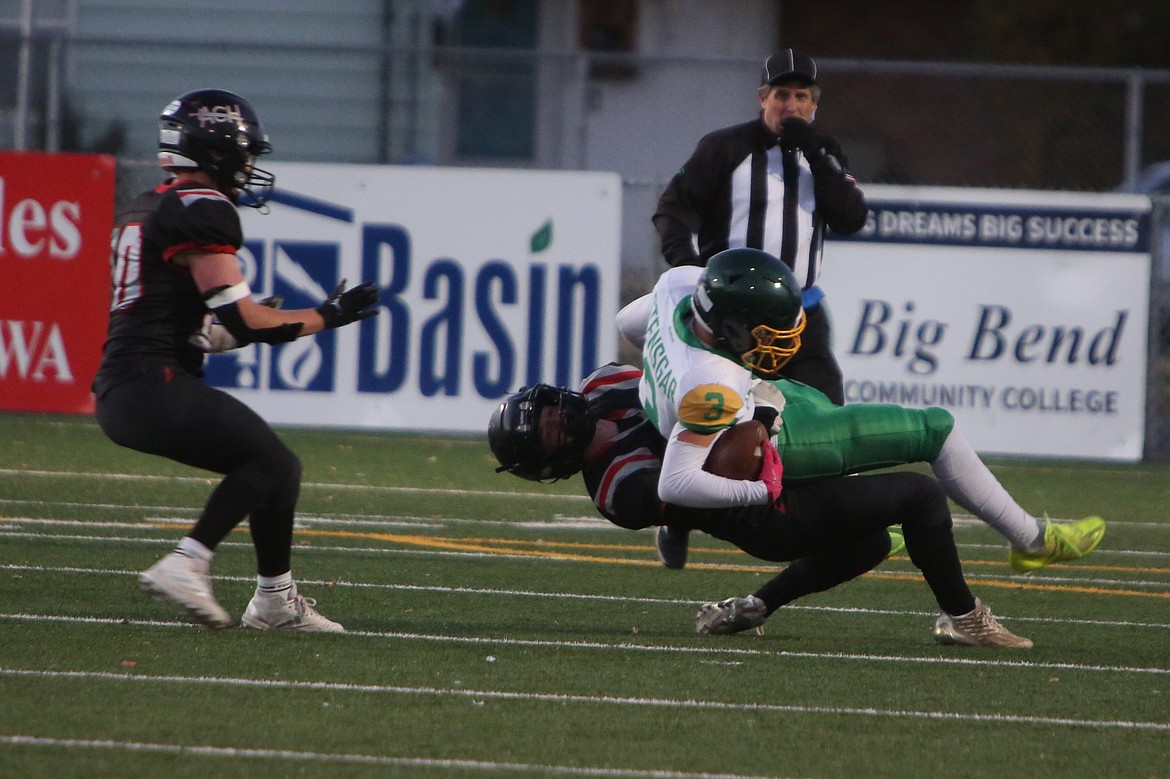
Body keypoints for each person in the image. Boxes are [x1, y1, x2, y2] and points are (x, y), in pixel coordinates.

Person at [93, 88, 380, 632]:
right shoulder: (203, 206)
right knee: (270, 463)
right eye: (245, 154)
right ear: (218, 151)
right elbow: (246, 321)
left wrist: (244, 324)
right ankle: (187, 560)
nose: (249, 167)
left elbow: (206, 331)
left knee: (278, 469)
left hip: (130, 384)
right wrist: (329, 315)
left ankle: (274, 602)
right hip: (152, 382)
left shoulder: (145, 205)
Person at [488, 364, 1032, 648]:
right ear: (549, 463)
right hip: (769, 510)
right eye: (549, 433)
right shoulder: (617, 488)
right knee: (919, 495)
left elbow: (680, 377)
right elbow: (725, 467)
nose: (559, 420)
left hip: (775, 443)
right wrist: (761, 420)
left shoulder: (603, 382)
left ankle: (756, 605)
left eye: (549, 412)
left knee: (869, 539)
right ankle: (966, 619)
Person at [651, 49, 866, 404]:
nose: (791, 106)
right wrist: (690, 270)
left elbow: (851, 218)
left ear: (815, 104)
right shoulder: (725, 147)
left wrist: (815, 155)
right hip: (731, 316)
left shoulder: (825, 152)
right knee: (724, 412)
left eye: (801, 97)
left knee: (826, 414)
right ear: (762, 98)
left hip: (799, 316)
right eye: (781, 95)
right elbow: (672, 210)